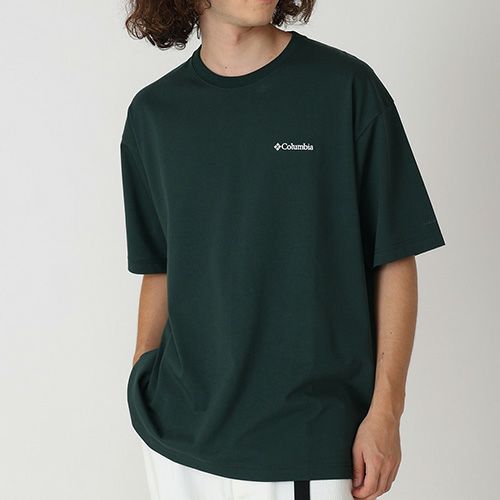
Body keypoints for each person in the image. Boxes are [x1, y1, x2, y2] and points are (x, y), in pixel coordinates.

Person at [119, 1, 446, 499]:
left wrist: (386, 412)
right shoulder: (153, 114)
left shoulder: (345, 87)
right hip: (178, 443)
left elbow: (395, 255)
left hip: (304, 439)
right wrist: (142, 375)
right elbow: (160, 267)